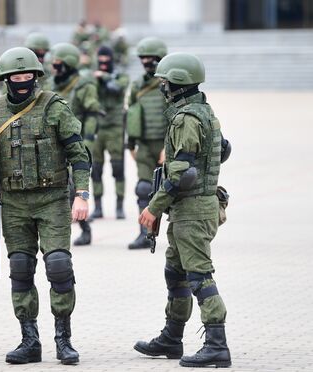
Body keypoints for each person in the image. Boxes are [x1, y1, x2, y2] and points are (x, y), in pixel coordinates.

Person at [0, 46, 90, 365]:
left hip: (51, 199)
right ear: (5, 80)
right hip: (13, 204)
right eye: (16, 77)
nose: (22, 82)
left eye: (27, 76)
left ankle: (64, 339)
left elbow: (79, 154)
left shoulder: (55, 107)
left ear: (36, 77)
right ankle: (29, 340)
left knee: (59, 266)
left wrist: (82, 194)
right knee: (21, 269)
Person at [134, 52, 232, 368]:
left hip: (193, 211)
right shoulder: (204, 112)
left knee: (199, 276)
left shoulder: (187, 118)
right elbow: (222, 150)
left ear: (176, 84)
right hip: (188, 209)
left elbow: (182, 173)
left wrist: (153, 207)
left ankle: (217, 344)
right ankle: (172, 337)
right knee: (175, 273)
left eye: (164, 82)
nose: (162, 87)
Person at [51, 42, 102, 246]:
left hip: (77, 142)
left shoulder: (83, 84)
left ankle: (85, 228)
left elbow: (92, 113)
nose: (54, 68)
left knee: (74, 186)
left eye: (58, 64)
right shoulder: (54, 85)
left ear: (68, 64)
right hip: (55, 142)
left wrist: (87, 139)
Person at [127, 37, 168, 250]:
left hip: (165, 145)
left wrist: (168, 147)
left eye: (150, 58)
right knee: (143, 188)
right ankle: (145, 233)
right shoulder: (137, 85)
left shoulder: (168, 84)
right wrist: (130, 144)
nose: (146, 62)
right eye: (143, 58)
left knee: (171, 191)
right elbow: (132, 113)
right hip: (143, 145)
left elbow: (177, 116)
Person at [90, 45, 129, 219]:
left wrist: (103, 77)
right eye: (101, 61)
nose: (103, 63)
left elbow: (116, 88)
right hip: (97, 128)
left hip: (115, 128)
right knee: (96, 169)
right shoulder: (93, 77)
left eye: (107, 60)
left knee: (118, 168)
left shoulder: (120, 76)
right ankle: (98, 206)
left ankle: (119, 206)